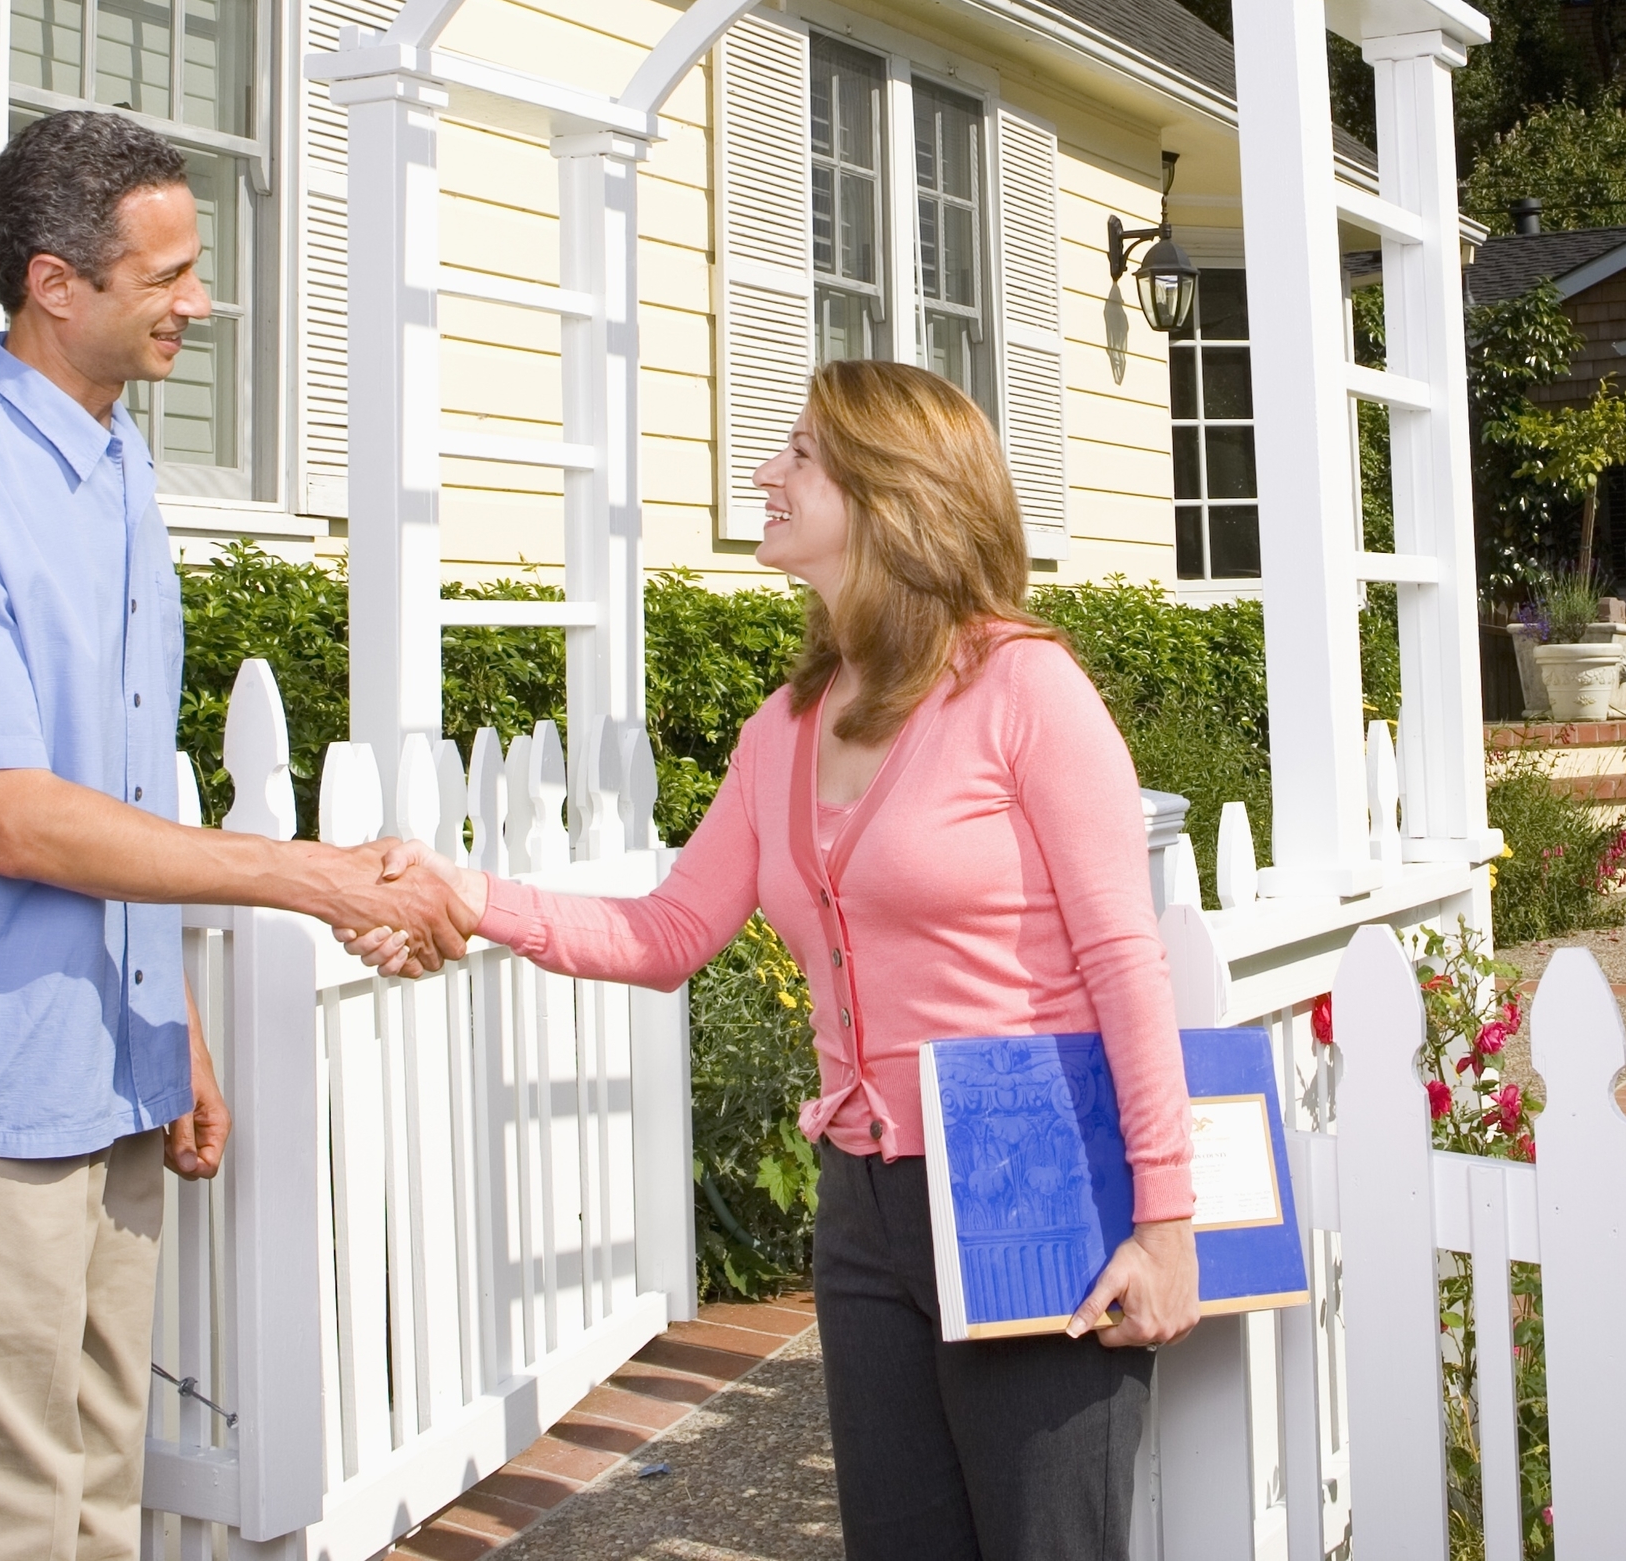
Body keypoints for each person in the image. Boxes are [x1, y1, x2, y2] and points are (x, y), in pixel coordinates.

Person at [378, 357, 1197, 1561]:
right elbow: (667, 935)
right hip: (863, 1201)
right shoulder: (788, 725)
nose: (765, 471)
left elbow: (1127, 959)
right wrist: (469, 893)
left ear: (892, 493)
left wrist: (1168, 1220)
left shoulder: (1027, 688)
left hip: (1031, 1178)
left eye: (801, 453)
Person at [0, 107, 467, 1560]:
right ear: (56, 283)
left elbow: (124, 786)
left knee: (99, 1508)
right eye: (168, 272)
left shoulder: (115, 468)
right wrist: (313, 875)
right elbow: (21, 818)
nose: (200, 301)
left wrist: (173, 1026)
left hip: (104, 1072)